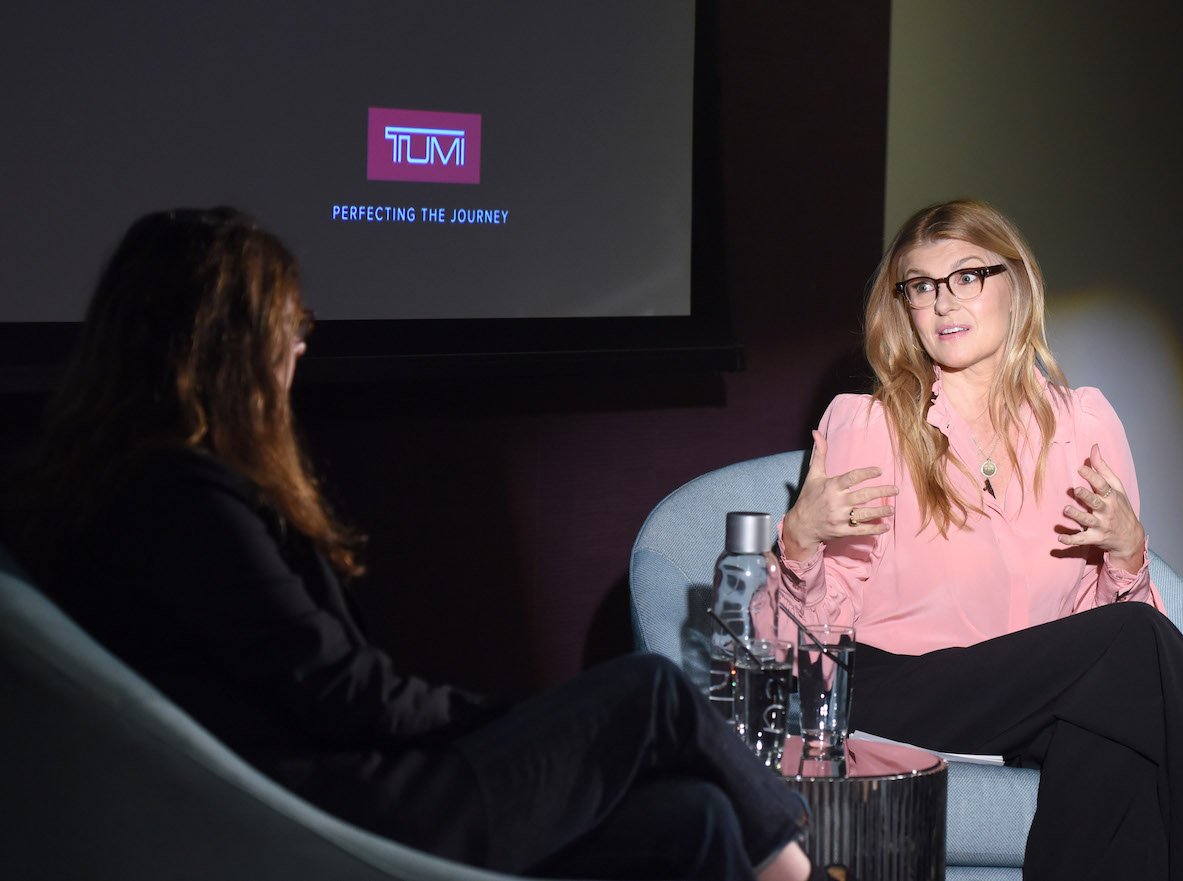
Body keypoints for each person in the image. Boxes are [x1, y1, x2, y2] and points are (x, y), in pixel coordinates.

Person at [1, 207, 813, 881]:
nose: (300, 346)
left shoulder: (122, 486)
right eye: (289, 323)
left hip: (339, 789)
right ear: (223, 343)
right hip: (342, 810)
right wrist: (515, 724)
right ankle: (804, 872)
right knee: (651, 692)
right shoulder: (177, 500)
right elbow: (342, 691)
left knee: (694, 817)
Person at [776, 198, 1183, 879]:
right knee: (1134, 641)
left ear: (1018, 285)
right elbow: (797, 654)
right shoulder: (869, 425)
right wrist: (801, 543)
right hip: (898, 685)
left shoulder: (1086, 423)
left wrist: (1128, 556)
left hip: (1040, 696)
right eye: (920, 285)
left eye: (967, 276)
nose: (942, 302)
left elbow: (1096, 637)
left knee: (1111, 734)